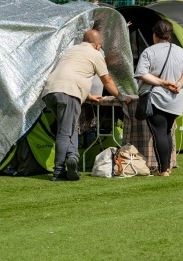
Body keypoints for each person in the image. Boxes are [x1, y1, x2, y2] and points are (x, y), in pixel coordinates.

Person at [42, 29, 132, 181]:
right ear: (97, 45)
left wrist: (88, 95)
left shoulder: (72, 50)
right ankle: (58, 171)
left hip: (50, 92)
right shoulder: (96, 54)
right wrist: (121, 96)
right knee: (65, 132)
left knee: (70, 128)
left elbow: (70, 72)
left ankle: (72, 157)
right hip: (68, 92)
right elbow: (107, 80)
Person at [134, 20, 183, 177]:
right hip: (175, 98)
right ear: (170, 35)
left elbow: (141, 73)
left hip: (156, 97)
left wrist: (162, 82)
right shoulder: (181, 51)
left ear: (154, 34)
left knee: (159, 133)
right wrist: (179, 84)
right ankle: (166, 167)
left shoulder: (149, 52)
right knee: (167, 131)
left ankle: (162, 170)